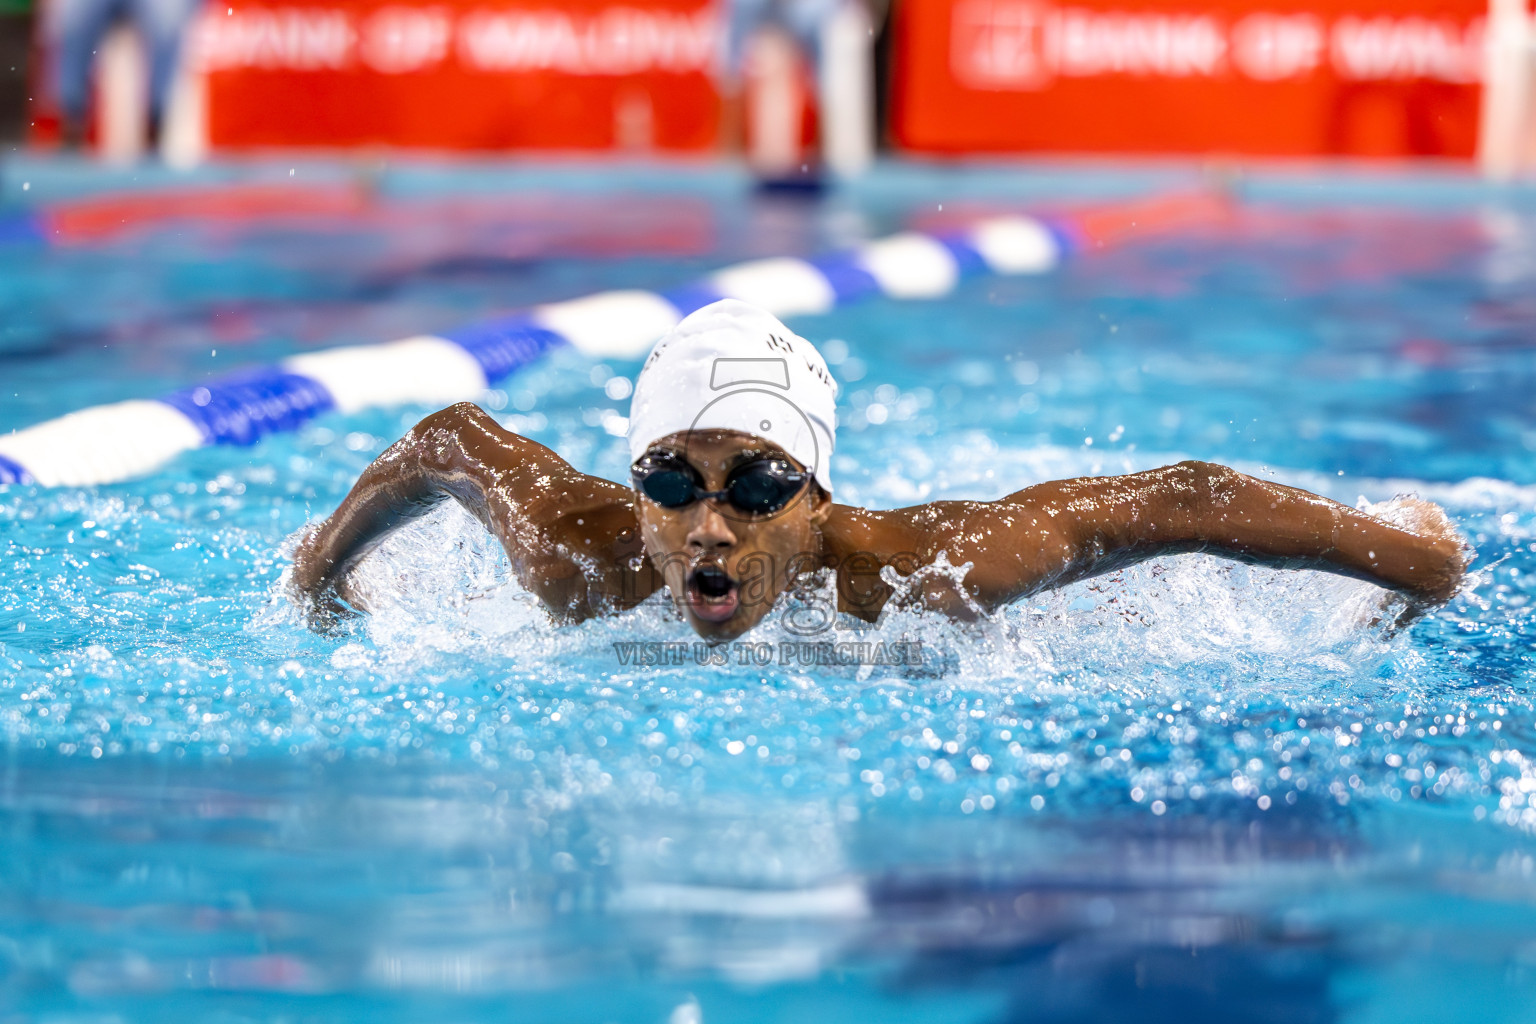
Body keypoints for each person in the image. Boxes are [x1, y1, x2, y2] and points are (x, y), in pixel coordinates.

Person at [291, 300, 1468, 641]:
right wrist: (319, 572)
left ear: (816, 495)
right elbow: (447, 434)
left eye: (754, 483)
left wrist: (1421, 557)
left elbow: (1182, 500)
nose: (708, 524)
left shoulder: (917, 573)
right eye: (671, 480)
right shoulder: (579, 561)